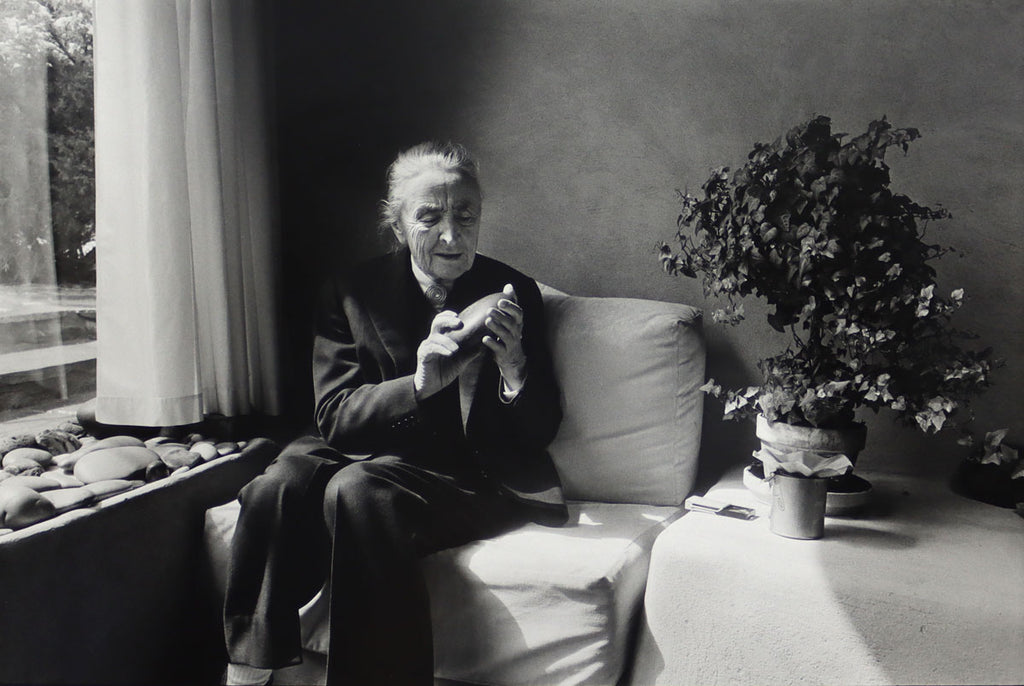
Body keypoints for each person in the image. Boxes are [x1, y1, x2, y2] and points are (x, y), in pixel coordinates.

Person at [222, 141, 567, 686]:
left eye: (466, 217)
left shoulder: (512, 291)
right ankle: (248, 669)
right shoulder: (350, 293)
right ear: (400, 226)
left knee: (358, 490)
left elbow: (541, 428)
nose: (451, 236)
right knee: (276, 487)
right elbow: (335, 415)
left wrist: (515, 367)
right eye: (429, 218)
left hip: (466, 474)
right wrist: (419, 386)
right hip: (361, 450)